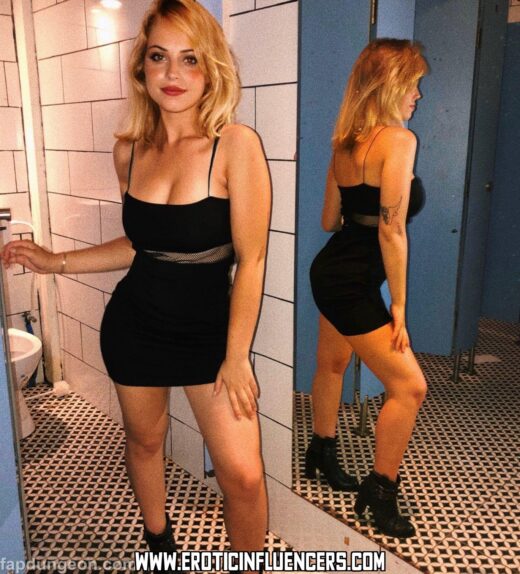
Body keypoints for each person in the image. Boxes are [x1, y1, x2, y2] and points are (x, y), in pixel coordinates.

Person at [2, 0, 270, 570]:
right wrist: (56, 261)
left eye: (190, 59)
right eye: (159, 57)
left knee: (243, 477)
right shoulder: (129, 150)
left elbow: (252, 261)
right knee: (145, 441)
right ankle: (159, 544)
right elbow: (142, 244)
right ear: (141, 68)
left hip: (209, 337)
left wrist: (237, 356)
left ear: (211, 68)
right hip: (135, 325)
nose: (173, 74)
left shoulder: (235, 146)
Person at [307, 38, 428, 538]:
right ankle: (379, 495)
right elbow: (391, 231)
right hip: (352, 283)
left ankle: (321, 453)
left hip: (331, 271)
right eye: (413, 84)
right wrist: (398, 305)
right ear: (390, 85)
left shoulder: (344, 142)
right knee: (410, 387)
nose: (418, 95)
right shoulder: (398, 142)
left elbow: (328, 219)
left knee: (332, 364)